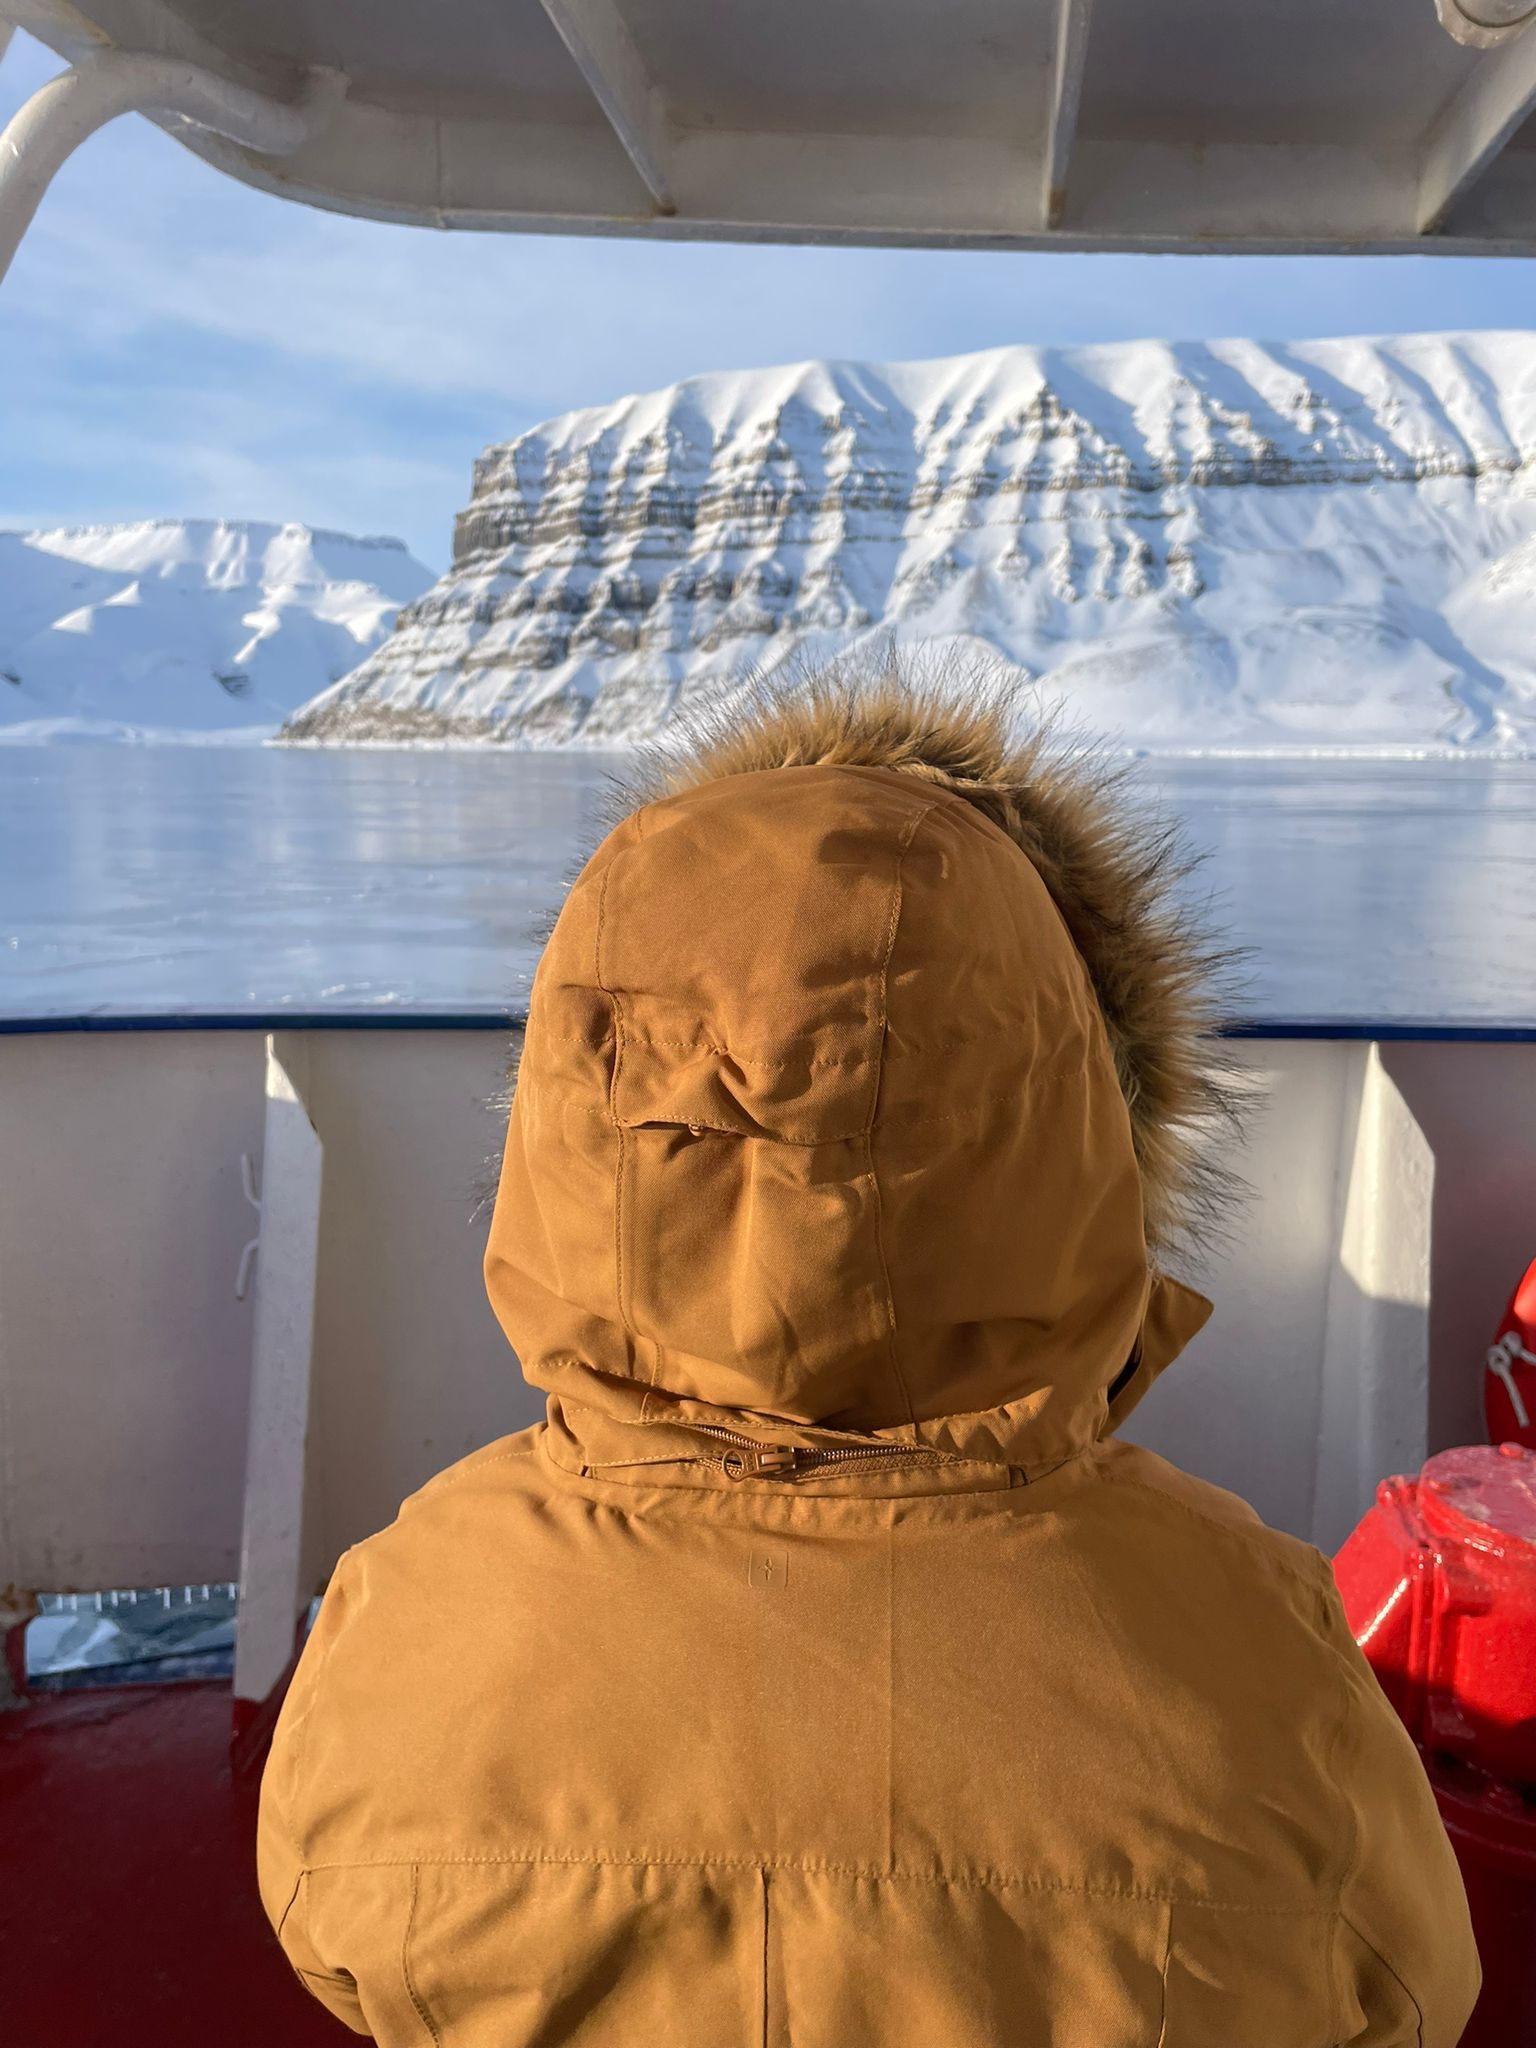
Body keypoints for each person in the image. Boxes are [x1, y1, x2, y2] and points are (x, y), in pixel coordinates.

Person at [258, 661, 1479, 2046]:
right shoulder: (1257, 1650)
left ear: (577, 1126)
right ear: (1076, 1117)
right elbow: (1410, 1993)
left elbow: (333, 1946)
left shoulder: (407, 1620)